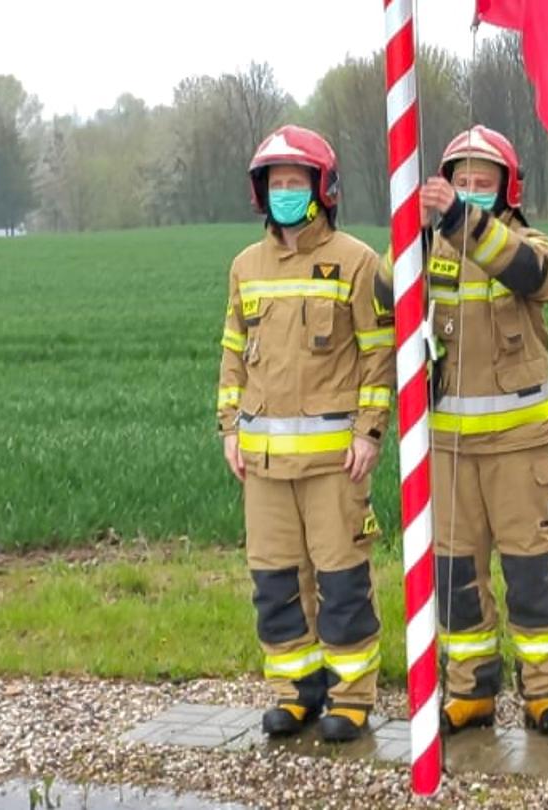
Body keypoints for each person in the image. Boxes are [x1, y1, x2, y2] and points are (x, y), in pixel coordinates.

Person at [216, 124, 395, 743]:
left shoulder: (357, 261)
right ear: (259, 192)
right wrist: (228, 429)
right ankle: (295, 692)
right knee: (275, 585)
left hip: (333, 466)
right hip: (263, 466)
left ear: (323, 188)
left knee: (343, 583)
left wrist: (370, 432)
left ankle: (351, 698)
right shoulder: (245, 267)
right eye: (275, 183)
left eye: (296, 182)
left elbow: (379, 354)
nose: (285, 192)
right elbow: (233, 353)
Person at [418, 126, 548, 736]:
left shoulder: (529, 244)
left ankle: (544, 693)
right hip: (450, 451)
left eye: (485, 182)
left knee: (530, 577)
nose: (472, 190)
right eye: (461, 181)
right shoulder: (428, 251)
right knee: (457, 579)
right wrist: (413, 231)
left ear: (509, 190)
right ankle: (470, 690)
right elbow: (383, 291)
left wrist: (464, 222)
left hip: (519, 450)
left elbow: (534, 275)